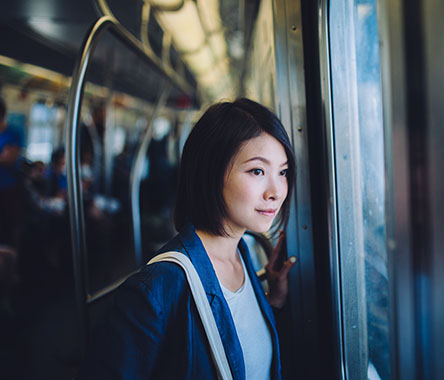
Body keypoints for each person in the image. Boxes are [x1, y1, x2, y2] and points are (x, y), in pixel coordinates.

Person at [76, 98, 297, 380]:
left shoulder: (242, 254)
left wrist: (272, 301)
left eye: (283, 172)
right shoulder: (155, 291)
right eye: (257, 171)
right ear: (212, 172)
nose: (276, 191)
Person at [0, 96, 22, 247]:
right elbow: (3, 158)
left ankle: (8, 263)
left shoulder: (13, 133)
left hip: (7, 188)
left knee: (6, 229)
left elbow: (9, 160)